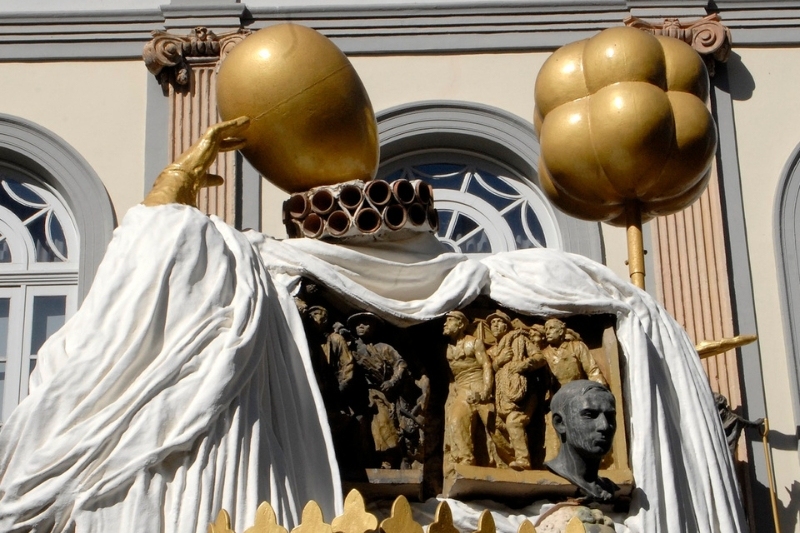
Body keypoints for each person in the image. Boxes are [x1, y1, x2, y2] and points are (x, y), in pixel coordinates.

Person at [486, 311, 546, 470]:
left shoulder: (520, 340)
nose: (495, 325)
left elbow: (540, 358)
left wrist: (523, 365)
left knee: (514, 421)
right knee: (498, 425)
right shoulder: (492, 351)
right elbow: (487, 371)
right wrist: (498, 362)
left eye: (498, 322)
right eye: (492, 323)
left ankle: (523, 459)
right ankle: (508, 458)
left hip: (523, 394)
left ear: (506, 326)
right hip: (501, 397)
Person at [347, 312, 408, 468]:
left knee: (383, 423)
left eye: (366, 323)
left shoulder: (384, 348)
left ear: (374, 328)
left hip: (378, 392)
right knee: (359, 427)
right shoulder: (349, 347)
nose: (361, 326)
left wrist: (392, 382)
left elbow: (400, 364)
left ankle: (386, 460)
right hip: (357, 394)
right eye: (358, 323)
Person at [544, 380, 618, 501]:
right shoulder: (549, 481)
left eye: (610, 416)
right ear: (560, 423)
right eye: (589, 415)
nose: (604, 426)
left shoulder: (608, 488)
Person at [442, 310, 495, 472]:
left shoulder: (474, 343)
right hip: (462, 389)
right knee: (456, 420)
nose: (445, 324)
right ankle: (465, 458)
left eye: (449, 320)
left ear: (460, 324)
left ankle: (509, 458)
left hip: (478, 385)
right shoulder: (447, 349)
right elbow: (451, 376)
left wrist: (486, 390)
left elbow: (486, 365)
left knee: (494, 426)